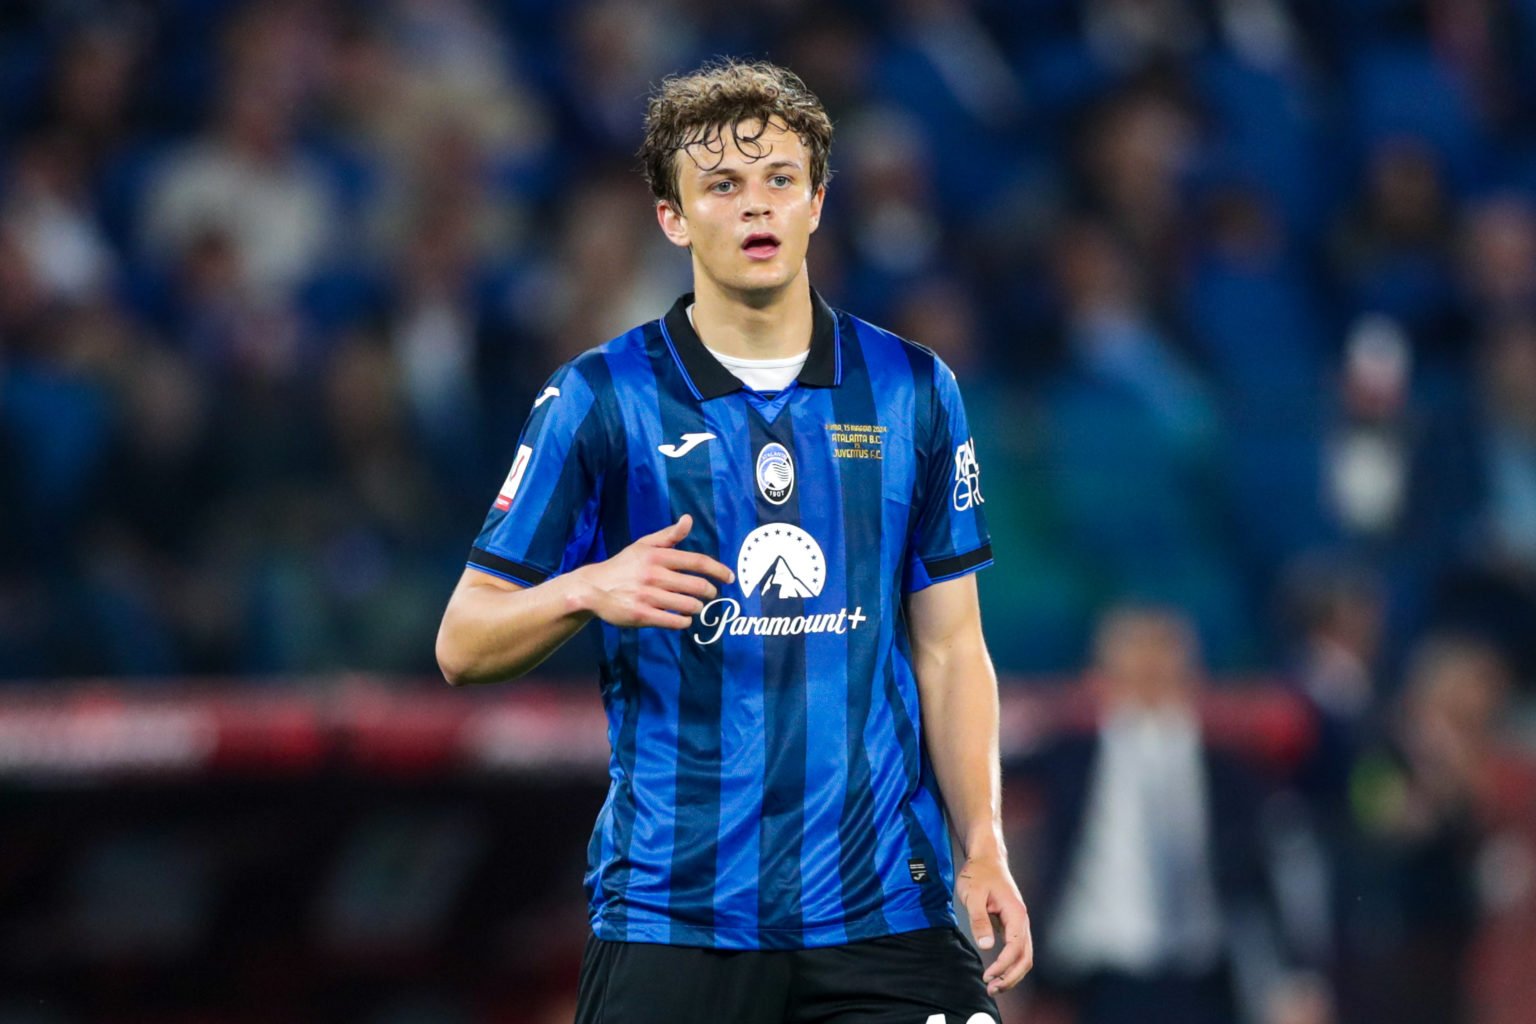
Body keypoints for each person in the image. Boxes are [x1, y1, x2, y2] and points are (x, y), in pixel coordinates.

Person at [435, 59, 1030, 1022]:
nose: (755, 205)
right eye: (721, 185)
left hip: (885, 908)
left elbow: (953, 646)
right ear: (672, 216)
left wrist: (984, 845)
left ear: (818, 203)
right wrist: (588, 588)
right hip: (677, 915)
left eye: (779, 181)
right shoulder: (600, 398)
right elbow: (462, 641)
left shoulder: (914, 389)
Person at [1019, 605, 1330, 1024]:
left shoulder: (1229, 769)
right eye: (1136, 666)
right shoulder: (1068, 758)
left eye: (1161, 665)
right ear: (1105, 674)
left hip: (1200, 972)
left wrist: (1296, 975)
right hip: (1091, 974)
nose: (1149, 677)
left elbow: (1265, 872)